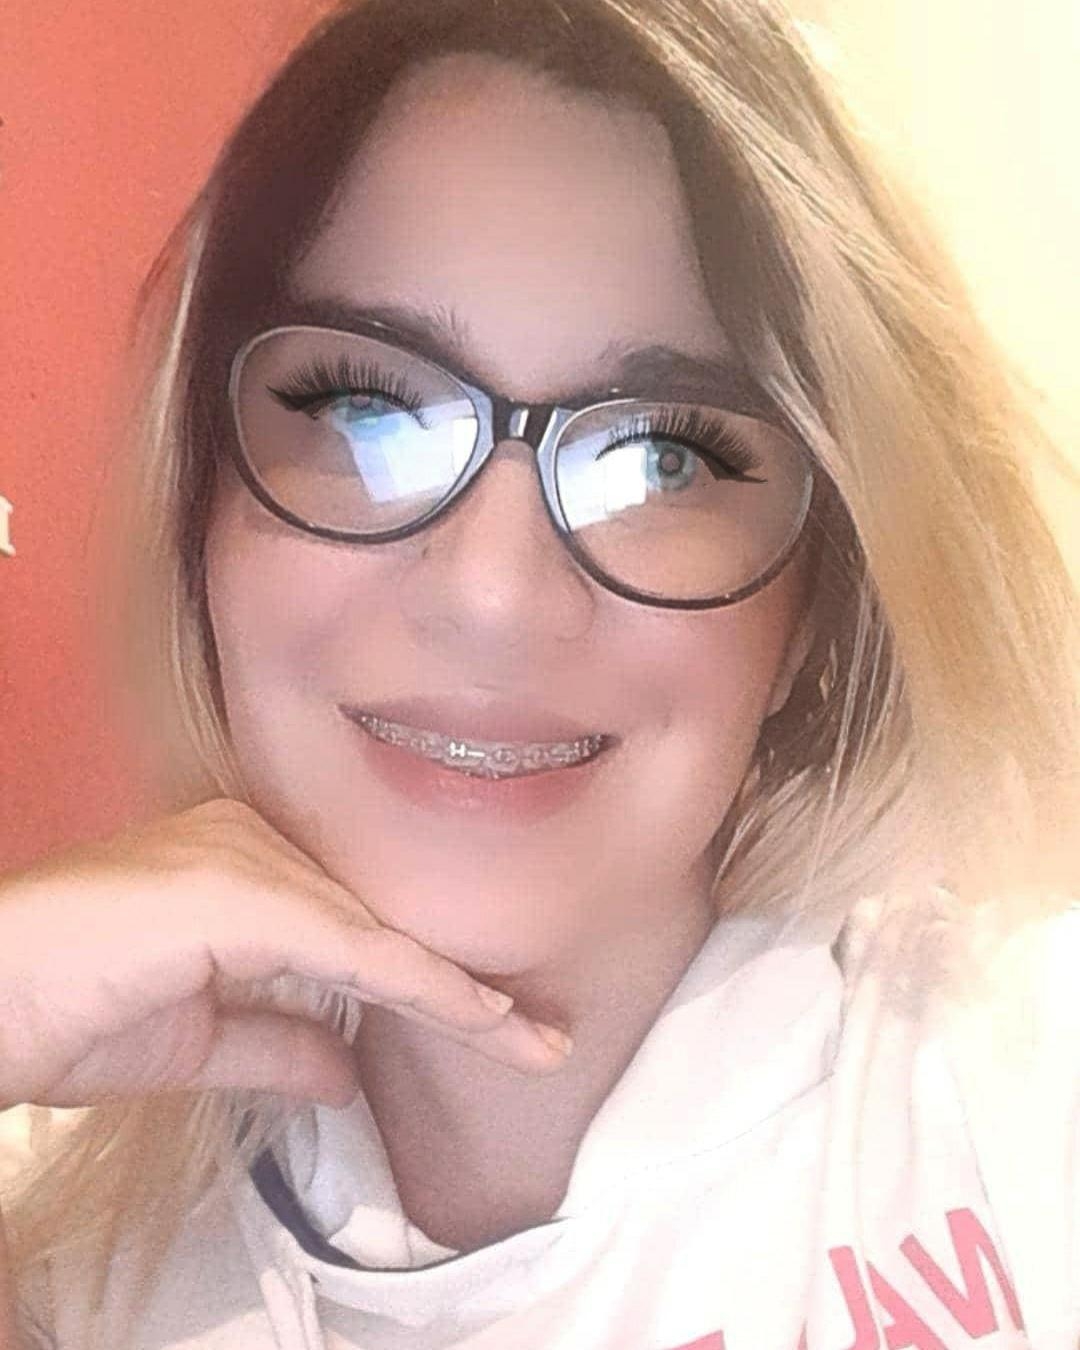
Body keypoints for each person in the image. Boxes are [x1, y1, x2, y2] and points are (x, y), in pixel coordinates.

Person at [1, 0, 1077, 1346]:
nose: (494, 597)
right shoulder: (62, 1258)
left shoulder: (1027, 1081)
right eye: (368, 411)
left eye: (661, 459)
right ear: (198, 511)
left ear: (817, 609)